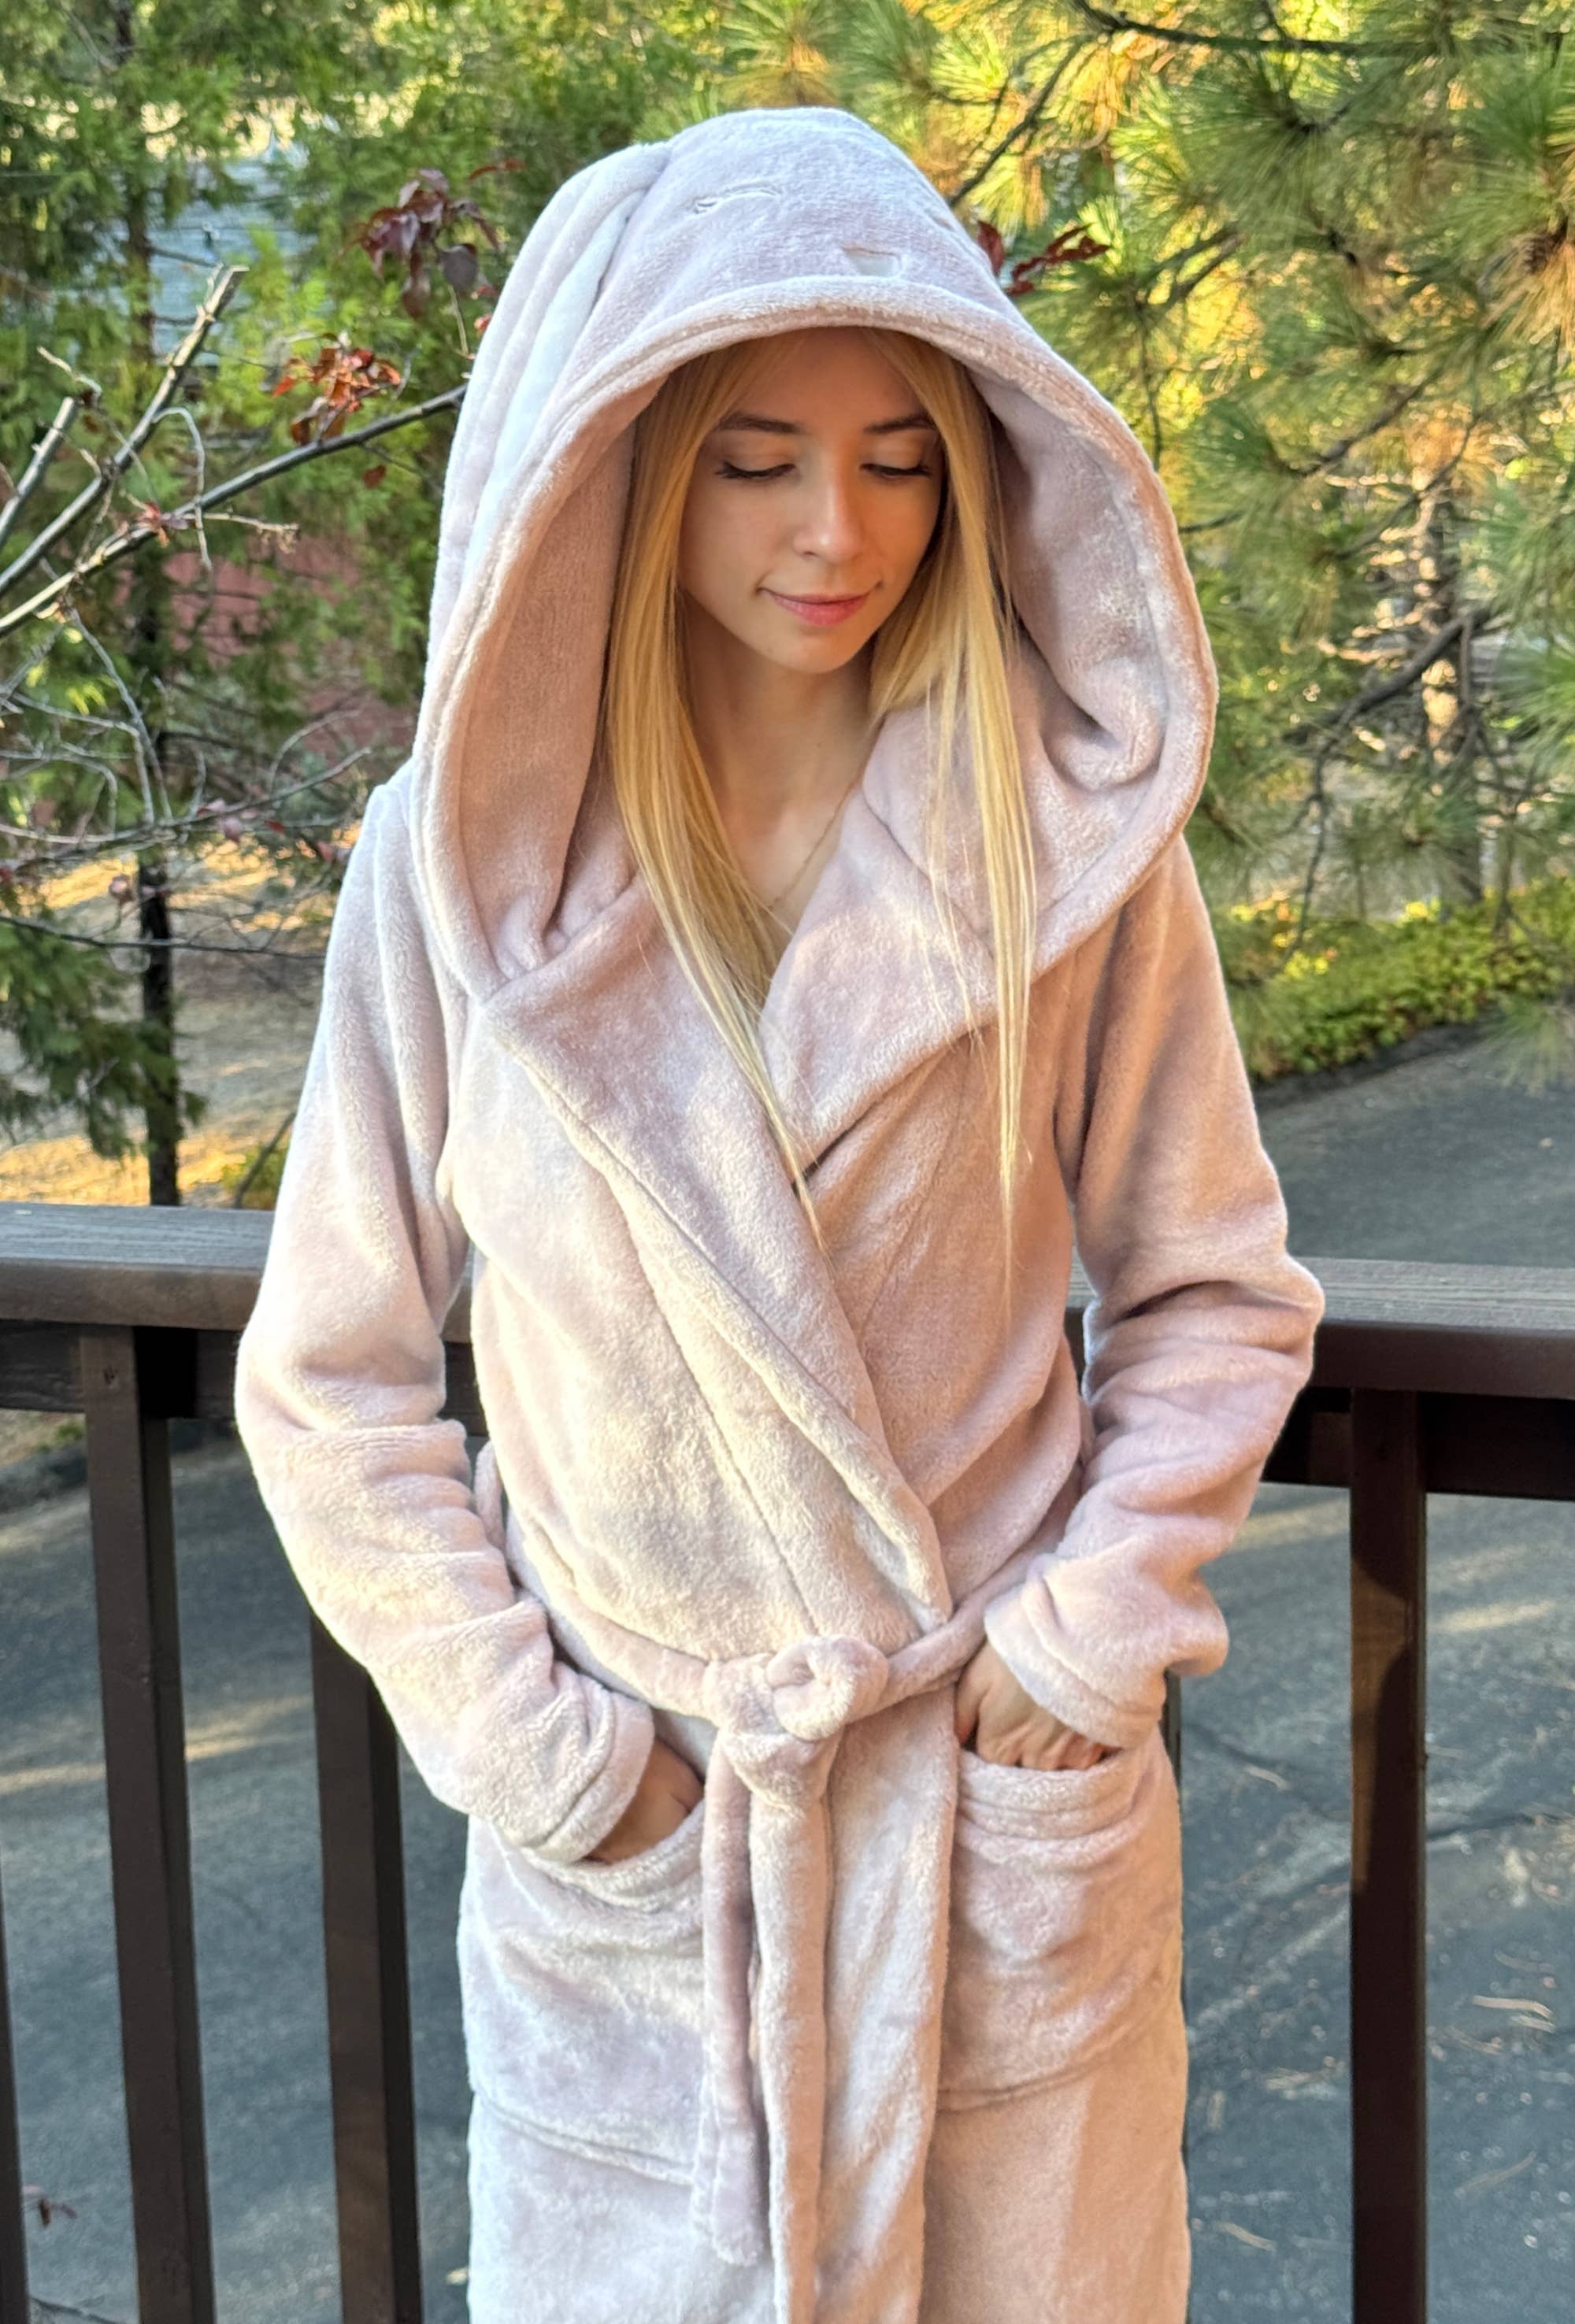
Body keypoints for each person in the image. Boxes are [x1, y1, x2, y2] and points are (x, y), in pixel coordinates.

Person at [233, 104, 1326, 2324]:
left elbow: (1219, 1289)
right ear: (628, 464)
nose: (840, 528)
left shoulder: (1064, 851)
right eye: (758, 460)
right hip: (652, 1867)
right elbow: (331, 1379)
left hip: (983, 1834)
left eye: (902, 459)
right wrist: (550, 1759)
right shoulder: (455, 878)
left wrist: (1083, 1642)